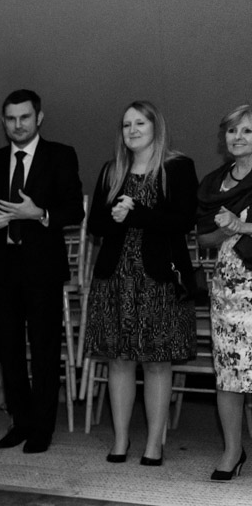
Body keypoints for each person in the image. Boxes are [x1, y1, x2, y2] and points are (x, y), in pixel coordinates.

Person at [83, 101, 198, 466]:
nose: (132, 130)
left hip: (159, 278)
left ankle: (154, 444)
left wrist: (136, 211)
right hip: (116, 278)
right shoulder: (112, 169)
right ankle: (119, 441)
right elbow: (96, 227)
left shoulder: (177, 167)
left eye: (140, 123)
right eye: (126, 124)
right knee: (118, 361)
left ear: (155, 127)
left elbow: (182, 221)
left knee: (157, 363)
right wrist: (117, 215)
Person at [0, 90, 83, 453]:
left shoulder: (60, 156)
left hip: (43, 269)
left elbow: (75, 211)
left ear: (39, 118)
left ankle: (43, 428)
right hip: (3, 269)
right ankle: (20, 421)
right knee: (10, 349)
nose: (17, 125)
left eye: (24, 118)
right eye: (10, 119)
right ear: (3, 121)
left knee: (46, 349)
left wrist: (39, 213)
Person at [195, 104, 252, 481]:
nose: (238, 138)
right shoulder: (213, 182)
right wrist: (229, 228)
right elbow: (204, 236)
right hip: (228, 287)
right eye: (232, 131)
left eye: (247, 131)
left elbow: (236, 228)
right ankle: (232, 451)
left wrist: (242, 227)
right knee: (229, 374)